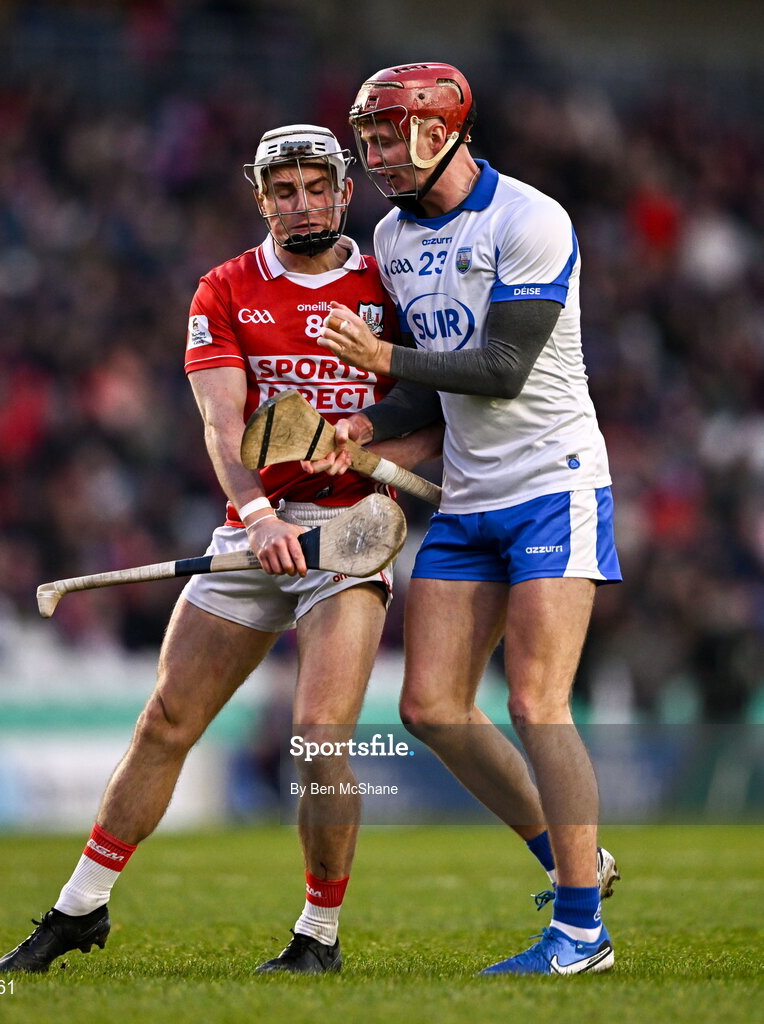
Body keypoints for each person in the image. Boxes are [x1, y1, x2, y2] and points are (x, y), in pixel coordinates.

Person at [0, 123, 439, 976]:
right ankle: (78, 910)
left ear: (343, 190)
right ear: (259, 194)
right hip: (257, 529)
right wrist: (262, 516)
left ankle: (317, 937)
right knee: (165, 721)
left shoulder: (395, 283)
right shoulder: (225, 288)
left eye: (315, 186)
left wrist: (373, 456)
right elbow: (221, 424)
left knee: (316, 739)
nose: (299, 203)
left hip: (350, 539)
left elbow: (435, 415)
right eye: (282, 190)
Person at [307, 64, 623, 975]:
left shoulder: (530, 218)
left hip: (553, 484)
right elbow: (430, 387)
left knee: (535, 702)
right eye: (366, 137)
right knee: (432, 708)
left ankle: (579, 935)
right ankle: (575, 863)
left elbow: (500, 368)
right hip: (469, 493)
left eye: (389, 133)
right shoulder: (394, 235)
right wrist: (371, 422)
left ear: (445, 129)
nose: (375, 154)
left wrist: (382, 356)